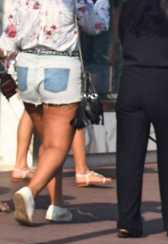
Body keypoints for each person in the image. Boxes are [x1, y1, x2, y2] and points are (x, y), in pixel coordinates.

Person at [1, 0, 110, 225]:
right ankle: (30, 192)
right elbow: (96, 25)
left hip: (26, 67)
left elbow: (8, 38)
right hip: (60, 65)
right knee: (57, 145)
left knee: (48, 143)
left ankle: (57, 204)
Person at [115, 0, 168, 238]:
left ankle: (127, 221)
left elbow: (121, 36)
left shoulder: (129, 7)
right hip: (163, 80)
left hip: (131, 79)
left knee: (128, 157)